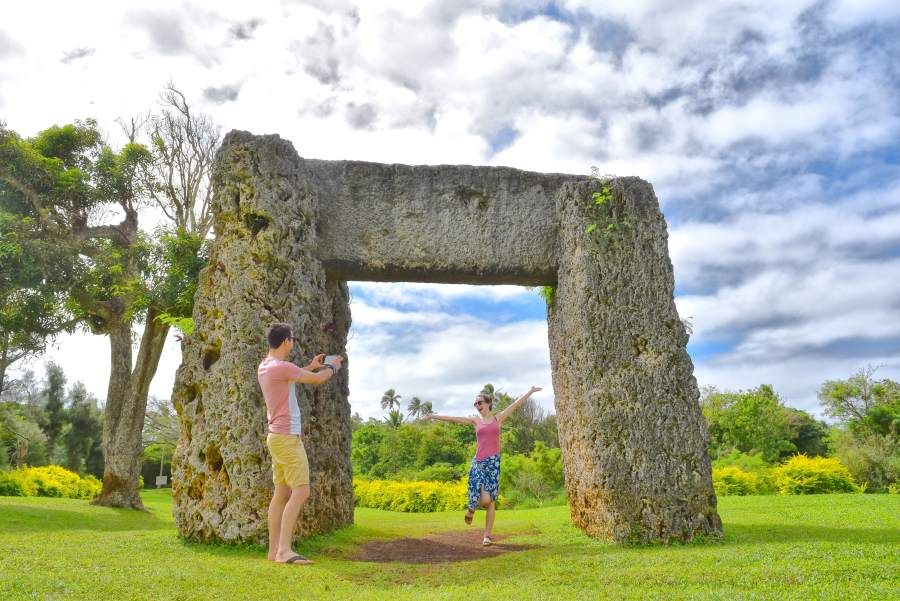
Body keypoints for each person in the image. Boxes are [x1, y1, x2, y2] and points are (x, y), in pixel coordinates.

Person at [257, 323, 342, 565]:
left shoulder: (267, 366)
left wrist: (311, 366)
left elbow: (291, 377)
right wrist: (332, 367)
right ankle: (284, 550)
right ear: (286, 341)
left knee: (281, 492)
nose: (293, 342)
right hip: (287, 438)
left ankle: (274, 551)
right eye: (292, 338)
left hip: (276, 437)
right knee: (301, 490)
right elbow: (317, 380)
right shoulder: (282, 367)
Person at [424, 385, 542, 546]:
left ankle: (487, 535)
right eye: (475, 404)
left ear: (488, 403)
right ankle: (472, 508)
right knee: (482, 496)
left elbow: (515, 405)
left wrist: (530, 391)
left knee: (489, 500)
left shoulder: (498, 418)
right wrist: (433, 416)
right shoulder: (475, 421)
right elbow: (453, 419)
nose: (477, 406)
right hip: (478, 461)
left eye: (479, 403)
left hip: (493, 463)